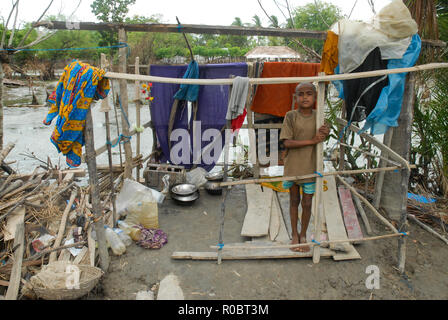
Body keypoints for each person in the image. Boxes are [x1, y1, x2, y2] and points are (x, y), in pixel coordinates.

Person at [279, 82, 329, 252]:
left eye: (309, 93)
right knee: (294, 200)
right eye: (301, 94)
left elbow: (322, 138)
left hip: (311, 167)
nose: (305, 97)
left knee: (307, 203)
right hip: (293, 166)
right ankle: (294, 234)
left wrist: (324, 134)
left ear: (315, 97)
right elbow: (287, 142)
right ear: (295, 97)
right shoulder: (291, 116)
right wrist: (312, 140)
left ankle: (303, 235)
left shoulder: (320, 116)